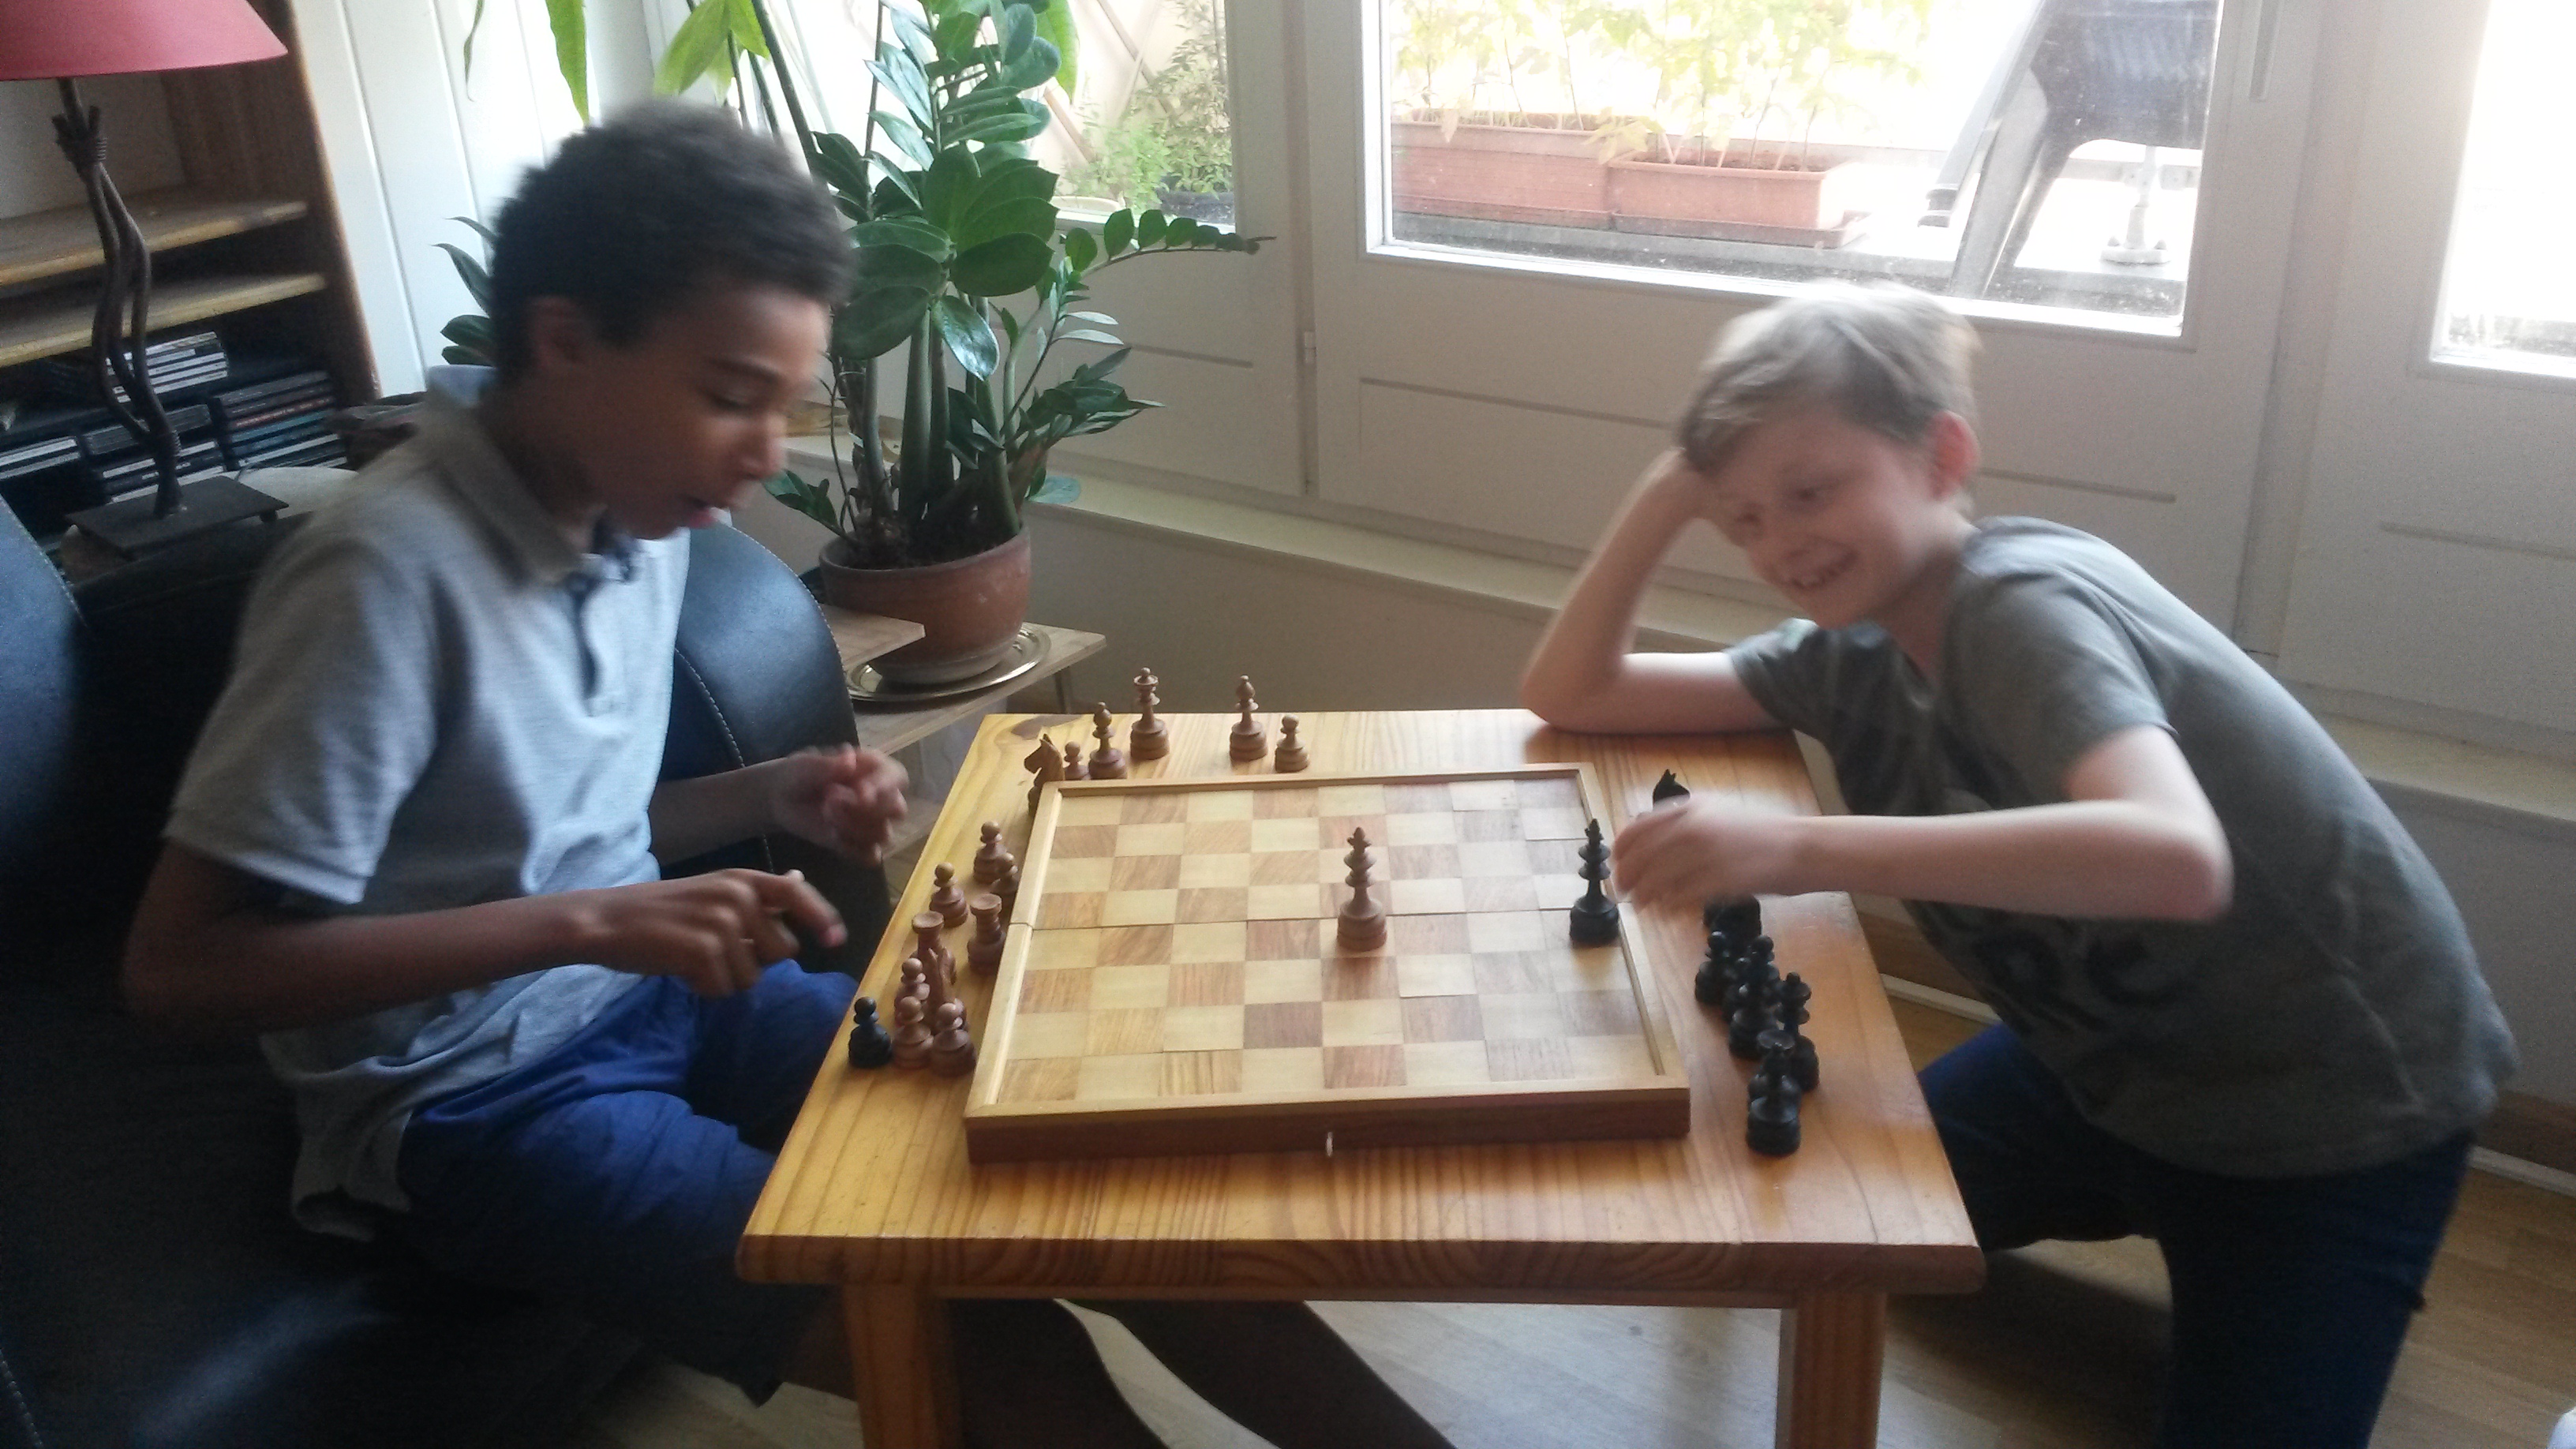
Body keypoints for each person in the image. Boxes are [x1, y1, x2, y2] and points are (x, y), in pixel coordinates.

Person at [121, 102, 1448, 1449]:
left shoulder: (632, 513)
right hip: (472, 1100)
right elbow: (183, 971)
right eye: (729, 396)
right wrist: (591, 923)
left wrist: (763, 798)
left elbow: (538, 835)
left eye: (784, 404)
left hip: (664, 1003)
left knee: (1104, 1183)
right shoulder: (377, 579)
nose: (766, 454)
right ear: (565, 342)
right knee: (985, 1345)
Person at [1519, 283, 2517, 1449]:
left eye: (1812, 490)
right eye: (1742, 521)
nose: (1780, 543)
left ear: (1943, 457)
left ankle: (2335, 1271)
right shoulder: (1848, 653)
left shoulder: (2022, 605)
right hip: (2098, 1073)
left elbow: (2175, 859)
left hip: (2324, 1118)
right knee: (1839, 1218)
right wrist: (1667, 494)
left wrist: (1795, 845)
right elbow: (1571, 690)